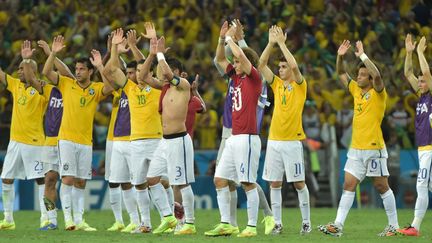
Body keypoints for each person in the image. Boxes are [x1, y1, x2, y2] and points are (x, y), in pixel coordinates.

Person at [318, 40, 399, 237]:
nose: (359, 77)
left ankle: (394, 226)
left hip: (374, 148)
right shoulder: (355, 90)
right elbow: (340, 73)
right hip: (356, 149)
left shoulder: (379, 93)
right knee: (348, 185)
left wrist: (363, 56)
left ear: (370, 79)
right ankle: (338, 225)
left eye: (364, 75)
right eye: (359, 74)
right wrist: (340, 56)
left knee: (381, 186)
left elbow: (378, 75)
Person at [42, 35, 114, 231]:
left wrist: (100, 65)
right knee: (67, 179)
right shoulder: (66, 84)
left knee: (81, 181)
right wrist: (54, 53)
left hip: (85, 142)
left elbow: (111, 86)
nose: (78, 72)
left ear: (90, 71)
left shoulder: (96, 89)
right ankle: (68, 220)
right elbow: (46, 71)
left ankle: (80, 220)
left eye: (82, 69)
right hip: (66, 140)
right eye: (77, 69)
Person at [213, 19, 275, 236]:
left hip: (247, 134)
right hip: (231, 133)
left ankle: (260, 221)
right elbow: (220, 59)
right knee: (222, 179)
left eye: (238, 61)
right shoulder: (235, 76)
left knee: (246, 181)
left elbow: (243, 57)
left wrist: (234, 38)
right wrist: (223, 38)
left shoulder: (254, 78)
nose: (234, 63)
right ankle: (228, 223)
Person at [104, 28, 162, 234]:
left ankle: (175, 219)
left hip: (156, 140)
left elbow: (147, 69)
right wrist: (114, 48)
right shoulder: (129, 88)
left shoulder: (157, 87)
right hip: (134, 141)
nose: (138, 75)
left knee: (163, 182)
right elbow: (111, 71)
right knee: (138, 183)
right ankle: (145, 223)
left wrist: (150, 52)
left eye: (139, 71)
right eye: (134, 72)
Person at [259, 25, 311, 235]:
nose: (280, 69)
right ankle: (277, 223)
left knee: (299, 183)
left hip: (292, 142)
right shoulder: (277, 85)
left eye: (283, 66)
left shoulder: (300, 85)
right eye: (279, 66)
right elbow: (261, 64)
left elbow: (296, 67)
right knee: (274, 183)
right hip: (274, 141)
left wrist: (282, 43)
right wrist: (271, 43)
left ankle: (306, 222)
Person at [0, 41, 48, 230]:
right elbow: (2, 75)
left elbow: (30, 75)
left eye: (22, 68)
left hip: (35, 142)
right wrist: (25, 60)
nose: (19, 72)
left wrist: (27, 59)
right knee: (6, 178)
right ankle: (8, 219)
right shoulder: (15, 85)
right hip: (15, 142)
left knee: (40, 179)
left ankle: (45, 217)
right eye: (19, 68)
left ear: (32, 71)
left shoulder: (41, 89)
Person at [397, 35, 432, 237]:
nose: (419, 83)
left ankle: (415, 227)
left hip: (429, 148)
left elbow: (425, 72)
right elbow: (408, 72)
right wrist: (409, 53)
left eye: (422, 81)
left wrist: (420, 52)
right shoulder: (421, 97)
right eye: (418, 82)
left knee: (421, 184)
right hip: (423, 148)